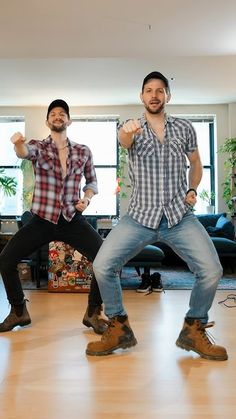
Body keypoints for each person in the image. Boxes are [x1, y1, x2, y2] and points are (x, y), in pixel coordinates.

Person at [86, 71, 228, 361]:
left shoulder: (185, 128)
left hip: (179, 216)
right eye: (148, 90)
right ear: (141, 96)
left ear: (167, 96)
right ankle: (118, 325)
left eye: (159, 90)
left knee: (212, 270)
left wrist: (192, 187)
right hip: (139, 216)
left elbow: (197, 163)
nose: (154, 95)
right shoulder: (132, 128)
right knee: (102, 265)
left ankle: (194, 328)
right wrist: (127, 131)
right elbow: (124, 139)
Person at [0, 99, 107, 335]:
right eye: (53, 114)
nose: (58, 116)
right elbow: (24, 152)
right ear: (47, 121)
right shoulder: (39, 146)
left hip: (72, 218)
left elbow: (92, 182)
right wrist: (18, 144)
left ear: (69, 120)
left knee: (105, 259)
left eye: (62, 113)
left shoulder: (83, 151)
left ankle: (93, 312)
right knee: (6, 260)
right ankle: (19, 311)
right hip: (42, 219)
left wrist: (86, 199)